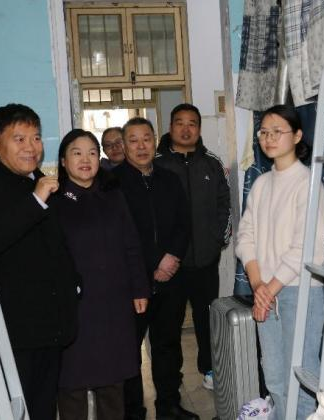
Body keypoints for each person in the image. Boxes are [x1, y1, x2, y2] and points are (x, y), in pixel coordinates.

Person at [0, 104, 80, 420]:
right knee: (11, 412)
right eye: (19, 139)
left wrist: (75, 284)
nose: (31, 147)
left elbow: (56, 245)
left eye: (36, 138)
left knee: (44, 408)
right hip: (11, 333)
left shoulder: (39, 181)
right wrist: (35, 200)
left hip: (50, 327)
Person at [235, 105, 324, 420]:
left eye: (277, 131)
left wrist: (267, 290)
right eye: (264, 132)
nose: (269, 138)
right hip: (266, 290)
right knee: (273, 375)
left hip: (299, 291)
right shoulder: (261, 184)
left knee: (301, 376)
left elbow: (307, 249)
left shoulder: (308, 183)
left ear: (297, 136)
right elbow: (245, 237)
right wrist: (258, 285)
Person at [54, 129, 150, 420]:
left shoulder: (113, 195)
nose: (86, 159)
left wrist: (139, 288)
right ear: (63, 161)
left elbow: (131, 244)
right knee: (72, 385)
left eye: (92, 153)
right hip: (74, 309)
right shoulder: (54, 201)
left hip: (113, 305)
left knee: (112, 383)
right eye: (77, 153)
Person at [113, 117, 197, 420]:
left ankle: (169, 406)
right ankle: (133, 411)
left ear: (155, 140)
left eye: (146, 139)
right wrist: (152, 264)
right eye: (133, 140)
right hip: (131, 283)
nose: (141, 146)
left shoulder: (169, 179)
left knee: (168, 345)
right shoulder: (111, 183)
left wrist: (172, 257)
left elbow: (184, 223)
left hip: (171, 279)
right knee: (128, 351)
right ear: (124, 146)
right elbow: (117, 235)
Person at [155, 103, 231, 390]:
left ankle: (209, 370)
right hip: (170, 265)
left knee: (207, 321)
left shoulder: (212, 163)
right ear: (170, 127)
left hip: (205, 262)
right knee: (168, 326)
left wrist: (218, 240)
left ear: (199, 129)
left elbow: (225, 204)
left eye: (192, 124)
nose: (186, 129)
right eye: (180, 123)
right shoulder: (157, 164)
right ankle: (170, 382)